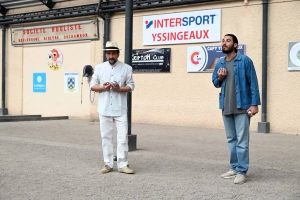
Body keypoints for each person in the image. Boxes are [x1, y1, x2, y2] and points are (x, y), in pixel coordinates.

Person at [212, 34, 261, 184]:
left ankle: (241, 171)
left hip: (242, 106)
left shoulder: (245, 60)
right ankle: (234, 168)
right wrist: (220, 78)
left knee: (242, 141)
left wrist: (254, 104)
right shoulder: (220, 63)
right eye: (223, 41)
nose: (224, 43)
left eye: (228, 41)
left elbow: (253, 82)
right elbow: (215, 82)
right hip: (226, 106)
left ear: (235, 45)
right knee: (231, 139)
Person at [90, 41, 135, 174]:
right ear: (106, 54)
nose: (111, 56)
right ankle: (108, 164)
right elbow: (92, 85)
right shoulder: (99, 68)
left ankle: (123, 165)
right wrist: (103, 87)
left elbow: (131, 86)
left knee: (122, 137)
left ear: (118, 53)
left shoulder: (127, 68)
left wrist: (119, 88)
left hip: (120, 108)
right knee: (106, 137)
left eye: (113, 53)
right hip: (104, 108)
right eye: (109, 53)